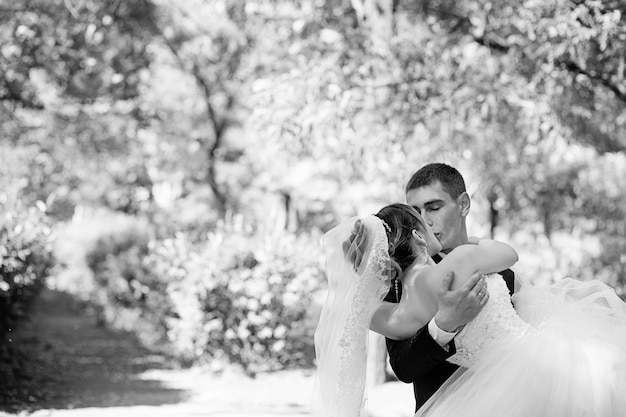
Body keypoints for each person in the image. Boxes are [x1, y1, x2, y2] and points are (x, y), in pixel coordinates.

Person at [312, 204, 626, 417]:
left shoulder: (395, 315)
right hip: (549, 366)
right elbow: (508, 253)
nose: (430, 222)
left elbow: (356, 310)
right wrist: (477, 241)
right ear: (419, 235)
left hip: (491, 395)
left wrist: (365, 271)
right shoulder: (460, 260)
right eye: (423, 219)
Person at [388, 162, 516, 410]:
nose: (424, 222)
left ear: (464, 205)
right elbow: (403, 368)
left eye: (434, 208)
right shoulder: (402, 281)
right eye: (415, 213)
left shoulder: (504, 272)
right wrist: (443, 325)